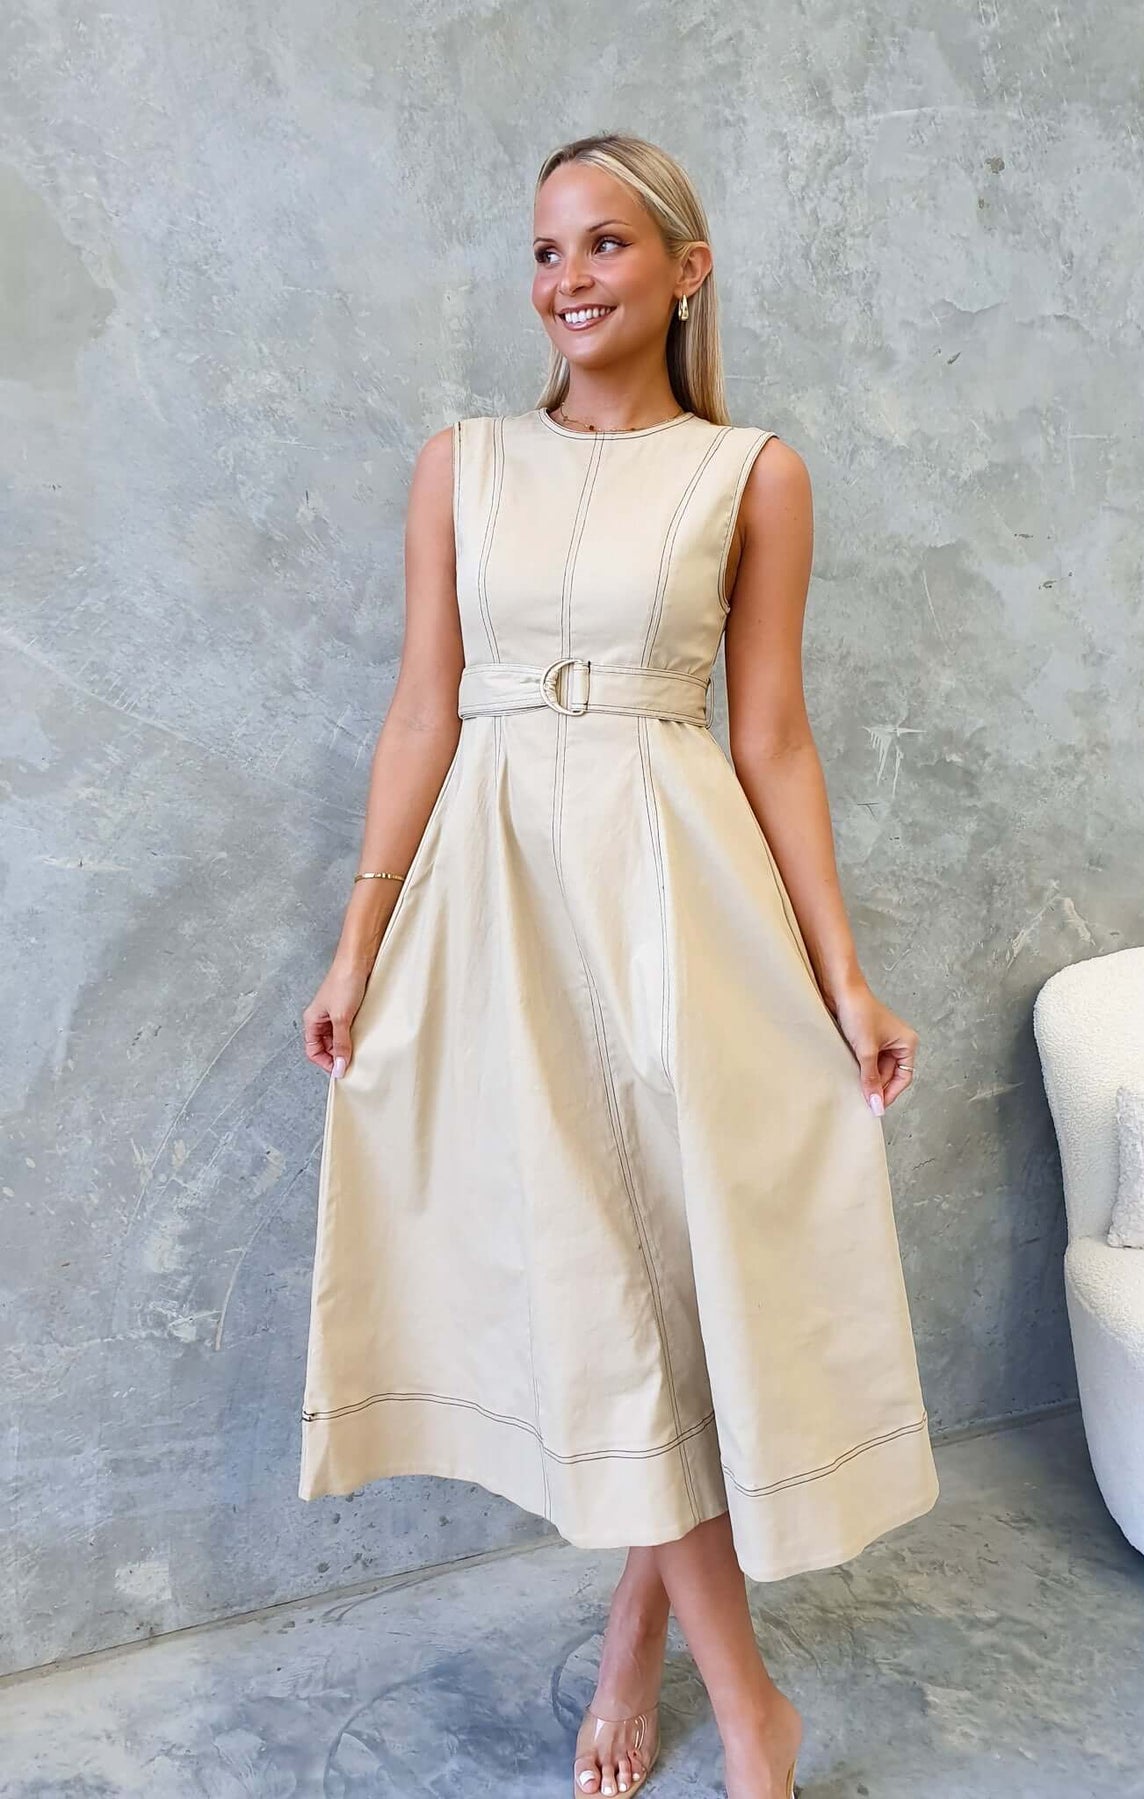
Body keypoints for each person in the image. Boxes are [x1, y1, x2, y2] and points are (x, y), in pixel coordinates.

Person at [299, 131, 939, 1799]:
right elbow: (424, 709)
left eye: (600, 246)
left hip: (682, 898)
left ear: (683, 269)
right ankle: (749, 1717)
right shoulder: (465, 463)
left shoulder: (755, 474)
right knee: (607, 1301)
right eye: (541, 252)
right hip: (500, 898)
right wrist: (359, 940)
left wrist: (844, 975)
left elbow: (777, 739)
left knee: (682, 1295)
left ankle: (659, 1659)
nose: (565, 281)